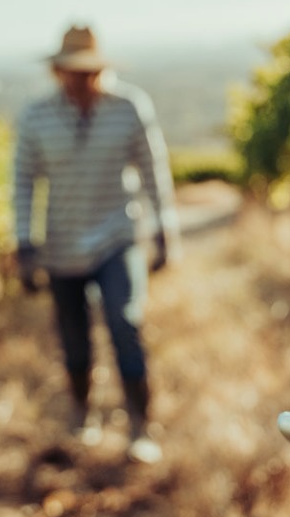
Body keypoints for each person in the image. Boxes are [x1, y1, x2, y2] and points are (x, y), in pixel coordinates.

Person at [14, 24, 179, 464]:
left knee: (125, 320)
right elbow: (24, 183)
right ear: (58, 72)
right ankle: (82, 414)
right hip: (62, 243)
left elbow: (152, 170)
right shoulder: (36, 118)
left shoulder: (128, 108)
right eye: (73, 72)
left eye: (89, 72)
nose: (81, 81)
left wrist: (165, 229)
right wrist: (25, 244)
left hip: (116, 235)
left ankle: (140, 425)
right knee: (74, 337)